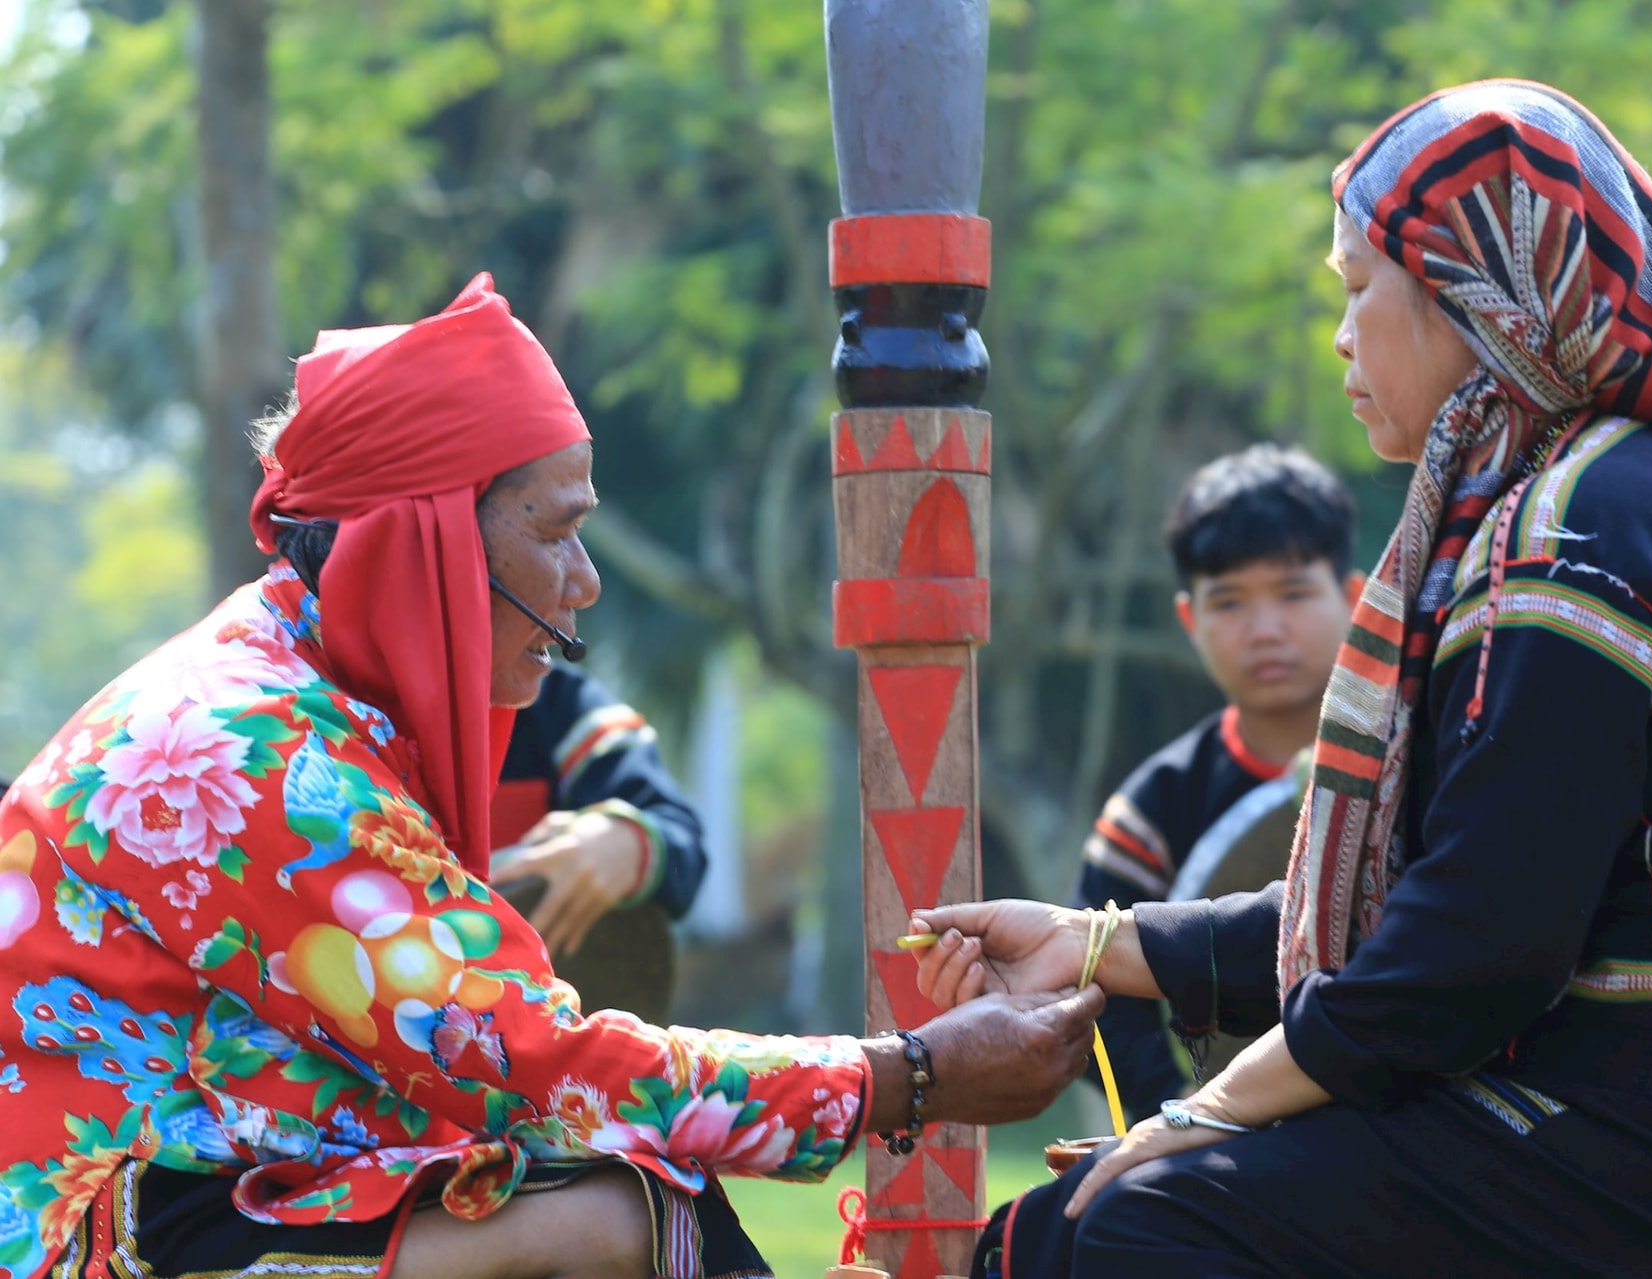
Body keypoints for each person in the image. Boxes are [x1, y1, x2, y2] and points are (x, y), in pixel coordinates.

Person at [914, 80, 1652, 1278]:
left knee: (1131, 1223)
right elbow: (1437, 909)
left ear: (1471, 297)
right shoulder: (1623, 495)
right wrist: (1094, 945)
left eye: (1356, 288)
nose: (1341, 335)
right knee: (1083, 1219)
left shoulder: (1574, 527)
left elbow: (1476, 949)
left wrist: (1209, 1109)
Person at [0, 273, 1103, 1279]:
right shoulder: (250, 754)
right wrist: (904, 1077)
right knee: (618, 1216)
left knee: (624, 1187)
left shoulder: (312, 690)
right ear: (430, 538)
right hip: (89, 1232)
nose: (582, 583)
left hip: (223, 1186)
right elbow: (534, 1064)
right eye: (561, 533)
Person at [1072, 445, 1358, 1122]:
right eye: (1228, 601)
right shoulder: (1156, 806)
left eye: (1293, 593)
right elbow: (1088, 993)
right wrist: (1177, 1121)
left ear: (1356, 598)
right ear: (1188, 620)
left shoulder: (1422, 757)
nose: (1264, 629)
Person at [488, 665, 702, 1022]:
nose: (571, 606)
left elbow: (685, 844)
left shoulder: (560, 704)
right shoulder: (364, 718)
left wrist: (625, 842)